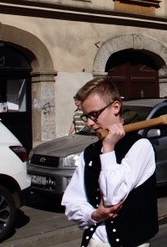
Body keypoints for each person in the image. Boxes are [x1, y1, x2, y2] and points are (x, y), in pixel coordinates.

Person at [62, 78, 158, 247]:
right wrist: (93, 215)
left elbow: (113, 198)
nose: (89, 123)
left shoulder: (140, 146)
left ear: (115, 107)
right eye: (86, 116)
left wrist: (108, 149)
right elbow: (72, 201)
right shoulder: (90, 153)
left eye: (94, 115)